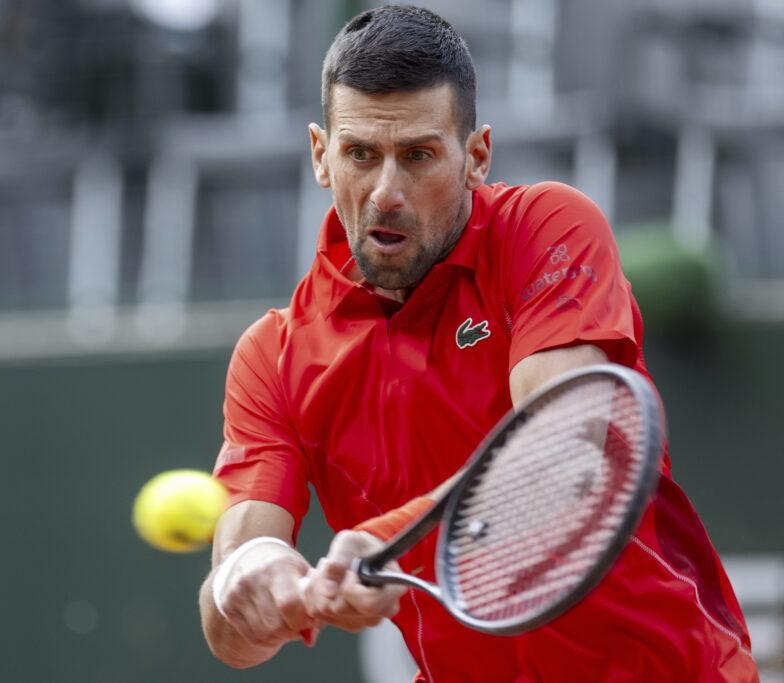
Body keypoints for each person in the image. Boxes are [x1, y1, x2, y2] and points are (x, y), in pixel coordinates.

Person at [198, 5, 758, 681]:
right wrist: (250, 579)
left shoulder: (547, 227)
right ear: (322, 155)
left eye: (419, 156)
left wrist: (381, 545)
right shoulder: (272, 358)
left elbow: (558, 458)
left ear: (477, 157)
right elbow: (233, 633)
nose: (386, 193)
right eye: (360, 154)